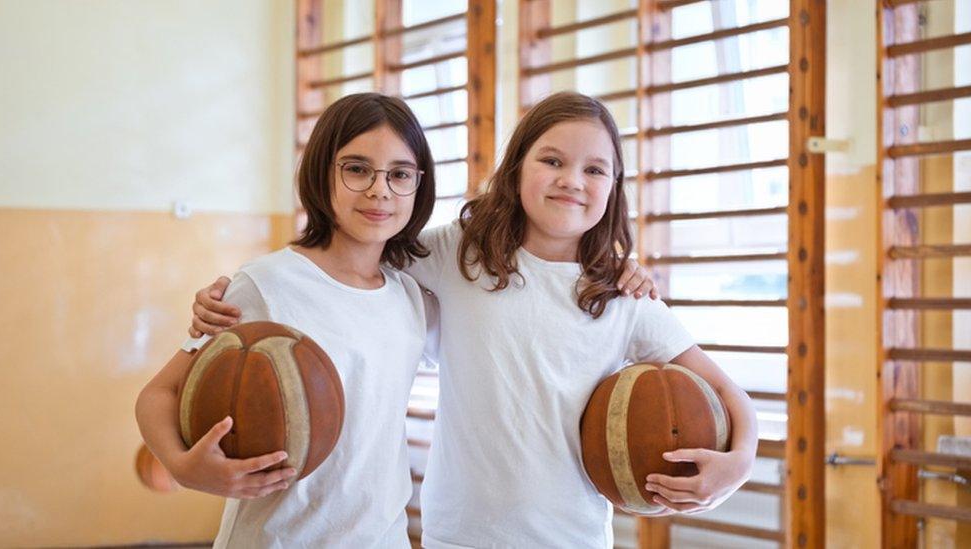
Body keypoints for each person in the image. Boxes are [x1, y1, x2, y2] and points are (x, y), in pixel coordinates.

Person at [189, 92, 756, 547]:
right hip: (458, 533)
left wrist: (738, 463)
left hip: (573, 536)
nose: (572, 180)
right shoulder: (460, 252)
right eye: (552, 160)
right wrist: (228, 294)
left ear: (614, 188)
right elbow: (356, 253)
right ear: (516, 169)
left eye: (595, 169)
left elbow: (725, 391)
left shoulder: (622, 295)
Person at [135, 92, 437, 548]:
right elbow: (160, 393)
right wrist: (183, 466)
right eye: (356, 169)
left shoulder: (411, 295)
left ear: (419, 185)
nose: (380, 189)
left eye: (399, 175)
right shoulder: (266, 283)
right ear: (321, 173)